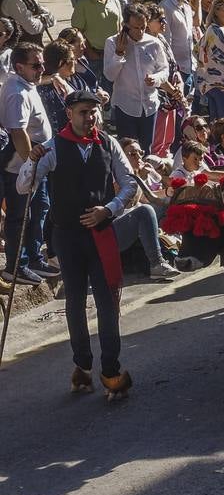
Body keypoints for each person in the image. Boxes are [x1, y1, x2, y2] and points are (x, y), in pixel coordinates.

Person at [16, 90, 136, 398]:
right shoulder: (53, 148)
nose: (90, 117)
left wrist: (108, 210)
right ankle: (82, 366)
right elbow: (22, 186)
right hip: (67, 236)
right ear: (69, 114)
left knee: (108, 301)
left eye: (93, 111)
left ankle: (110, 370)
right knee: (75, 301)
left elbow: (130, 183)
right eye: (83, 111)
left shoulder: (108, 143)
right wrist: (31, 161)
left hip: (101, 233)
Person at [2, 42, 56, 285]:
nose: (41, 69)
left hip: (38, 163)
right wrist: (29, 168)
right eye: (36, 65)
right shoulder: (16, 92)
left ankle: (34, 257)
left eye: (42, 63)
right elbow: (17, 132)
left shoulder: (27, 82)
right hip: (21, 167)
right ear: (19, 67)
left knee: (40, 208)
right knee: (20, 216)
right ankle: (16, 266)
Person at [102, 3, 171, 153]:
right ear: (125, 25)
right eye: (135, 27)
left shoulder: (154, 42)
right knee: (128, 150)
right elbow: (109, 75)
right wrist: (119, 53)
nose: (140, 31)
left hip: (149, 105)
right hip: (125, 106)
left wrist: (156, 78)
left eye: (143, 27)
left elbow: (165, 70)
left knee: (146, 149)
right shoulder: (112, 42)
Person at [111, 137, 179, 278]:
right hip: (112, 232)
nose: (139, 157)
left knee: (172, 202)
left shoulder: (136, 174)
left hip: (131, 223)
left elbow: (148, 197)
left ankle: (177, 245)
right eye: (132, 154)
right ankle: (157, 263)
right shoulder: (115, 176)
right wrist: (139, 179)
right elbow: (127, 203)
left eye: (140, 153)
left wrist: (169, 192)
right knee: (145, 211)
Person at [69, 0, 122, 87]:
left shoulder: (114, 0)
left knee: (116, 88)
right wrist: (90, 52)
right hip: (95, 57)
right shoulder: (83, 4)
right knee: (99, 90)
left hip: (114, 54)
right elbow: (77, 32)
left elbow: (120, 26)